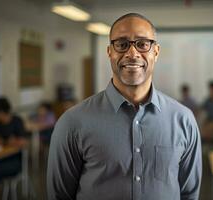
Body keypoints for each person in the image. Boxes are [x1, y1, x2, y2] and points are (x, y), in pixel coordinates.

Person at [47, 13, 202, 200]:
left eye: (143, 44)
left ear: (156, 51)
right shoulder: (72, 123)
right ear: (109, 52)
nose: (132, 53)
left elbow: (188, 194)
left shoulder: (183, 120)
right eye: (121, 44)